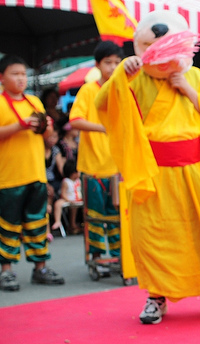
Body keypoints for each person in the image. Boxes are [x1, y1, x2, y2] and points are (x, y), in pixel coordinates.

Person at [95, 10, 200, 324]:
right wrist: (119, 76)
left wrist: (189, 89)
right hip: (153, 173)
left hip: (197, 170)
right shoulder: (135, 76)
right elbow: (104, 105)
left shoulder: (193, 75)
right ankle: (156, 297)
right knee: (155, 236)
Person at [0, 55, 65, 291]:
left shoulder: (35, 103)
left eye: (23, 74)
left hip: (36, 173)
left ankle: (41, 268)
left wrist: (46, 129)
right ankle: (6, 271)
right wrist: (20, 125)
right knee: (9, 225)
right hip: (8, 177)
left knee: (38, 223)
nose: (20, 78)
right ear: (2, 78)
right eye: (15, 74)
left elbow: (49, 141)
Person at [69, 40, 123, 261]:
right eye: (108, 62)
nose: (112, 67)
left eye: (117, 62)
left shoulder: (123, 90)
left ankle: (122, 257)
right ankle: (98, 257)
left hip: (118, 166)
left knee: (118, 215)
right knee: (95, 216)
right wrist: (103, 127)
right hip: (93, 167)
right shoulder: (88, 90)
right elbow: (75, 120)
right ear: (98, 65)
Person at [51, 160, 83, 234]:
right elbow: (63, 193)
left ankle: (73, 224)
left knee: (75, 208)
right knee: (58, 204)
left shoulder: (78, 181)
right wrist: (68, 200)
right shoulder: (66, 181)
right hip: (67, 199)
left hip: (77, 199)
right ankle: (57, 221)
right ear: (72, 173)